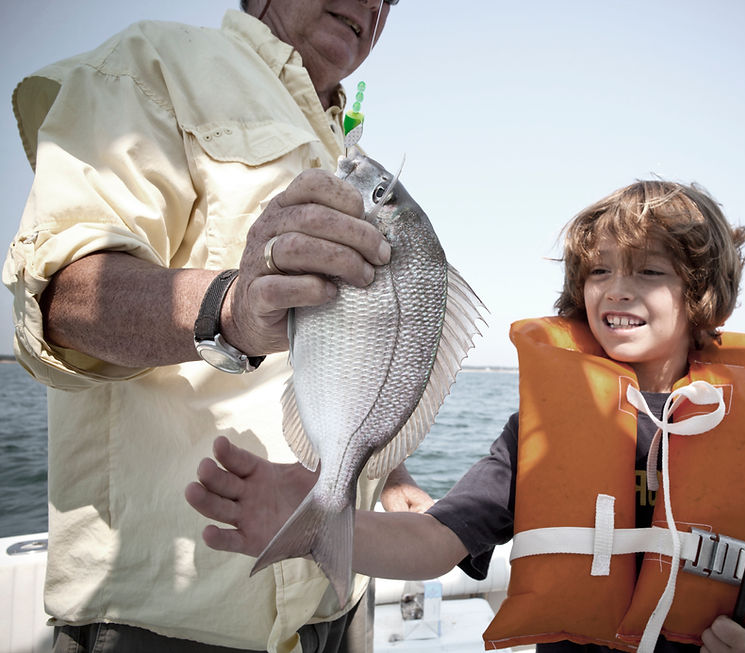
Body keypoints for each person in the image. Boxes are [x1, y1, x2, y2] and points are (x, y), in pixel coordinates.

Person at [187, 180, 745, 652]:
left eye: (648, 271)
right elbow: (434, 540)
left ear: (702, 296)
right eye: (600, 270)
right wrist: (320, 528)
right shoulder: (542, 429)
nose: (617, 287)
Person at [2, 1, 434, 652]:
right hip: (169, 625)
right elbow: (63, 298)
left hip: (338, 607)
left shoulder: (348, 150)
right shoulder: (154, 63)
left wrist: (389, 474)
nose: (373, 3)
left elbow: (358, 358)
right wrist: (229, 308)